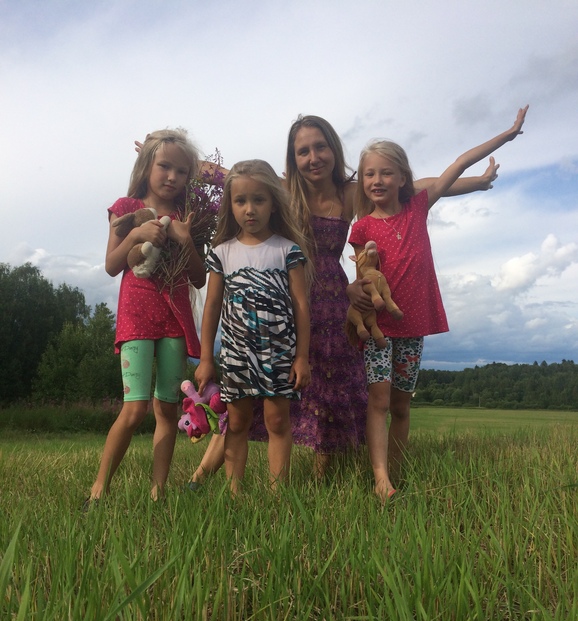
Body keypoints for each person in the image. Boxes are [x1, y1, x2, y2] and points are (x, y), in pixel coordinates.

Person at [189, 114, 505, 486]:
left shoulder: (351, 192)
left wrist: (479, 182)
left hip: (333, 300)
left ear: (334, 149)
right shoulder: (285, 188)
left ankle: (324, 475)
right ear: (293, 157)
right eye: (303, 151)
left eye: (320, 147)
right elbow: (227, 175)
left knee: (330, 386)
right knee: (253, 389)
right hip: (287, 300)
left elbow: (420, 187)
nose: (313, 157)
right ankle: (201, 473)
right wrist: (173, 159)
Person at [348, 106, 528, 502]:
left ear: (402, 178)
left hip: (414, 323)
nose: (377, 181)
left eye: (386, 173)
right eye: (369, 174)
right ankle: (380, 477)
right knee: (378, 401)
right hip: (379, 325)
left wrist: (508, 134)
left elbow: (459, 163)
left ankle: (396, 470)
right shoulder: (362, 227)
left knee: (401, 405)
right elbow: (364, 272)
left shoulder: (417, 208)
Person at [85, 129, 206, 506]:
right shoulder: (126, 207)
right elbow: (111, 265)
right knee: (135, 407)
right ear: (146, 165)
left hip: (175, 319)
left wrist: (186, 239)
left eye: (182, 171)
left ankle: (158, 493)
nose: (172, 176)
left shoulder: (189, 215)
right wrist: (136, 232)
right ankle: (98, 491)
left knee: (167, 407)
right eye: (164, 166)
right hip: (136, 315)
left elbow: (199, 278)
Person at [194, 159, 310, 495]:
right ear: (229, 206)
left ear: (274, 203)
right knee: (237, 422)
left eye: (258, 200)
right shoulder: (222, 253)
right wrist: (206, 358)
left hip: (279, 353)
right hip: (236, 355)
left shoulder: (288, 250)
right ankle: (235, 495)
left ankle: (278, 495)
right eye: (240, 200)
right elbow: (211, 307)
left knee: (278, 421)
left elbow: (301, 305)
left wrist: (302, 357)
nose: (249, 209)